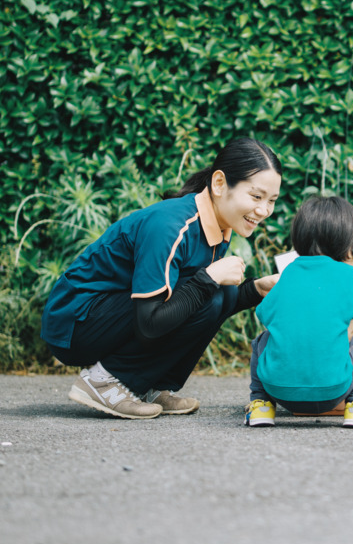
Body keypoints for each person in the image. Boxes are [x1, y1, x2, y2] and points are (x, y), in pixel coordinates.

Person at [42, 137, 283, 419]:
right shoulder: (170, 226)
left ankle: (149, 385)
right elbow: (149, 323)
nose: (264, 210)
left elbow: (213, 300)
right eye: (256, 197)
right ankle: (105, 381)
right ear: (219, 184)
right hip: (75, 321)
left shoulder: (220, 224)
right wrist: (207, 279)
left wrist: (256, 289)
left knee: (220, 291)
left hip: (112, 314)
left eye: (271, 201)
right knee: (207, 287)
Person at [244, 195, 353, 429]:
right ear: (350, 248)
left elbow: (264, 314)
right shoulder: (349, 275)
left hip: (279, 390)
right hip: (335, 389)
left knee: (261, 341)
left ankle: (261, 404)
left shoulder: (289, 272)